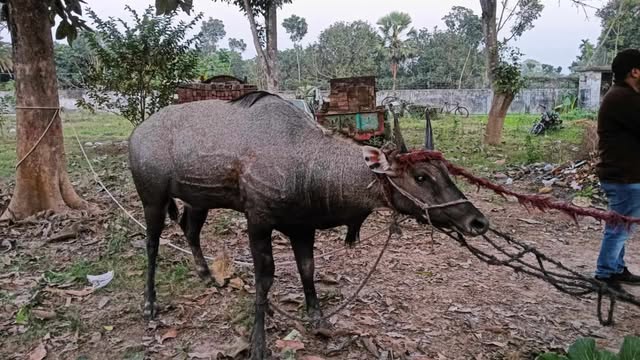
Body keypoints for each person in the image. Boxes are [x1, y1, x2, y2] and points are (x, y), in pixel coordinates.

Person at [594, 48, 640, 289]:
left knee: (623, 225)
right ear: (634, 71)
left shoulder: (623, 96)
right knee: (619, 227)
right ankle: (605, 274)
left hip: (624, 174)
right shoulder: (625, 99)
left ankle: (616, 268)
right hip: (624, 176)